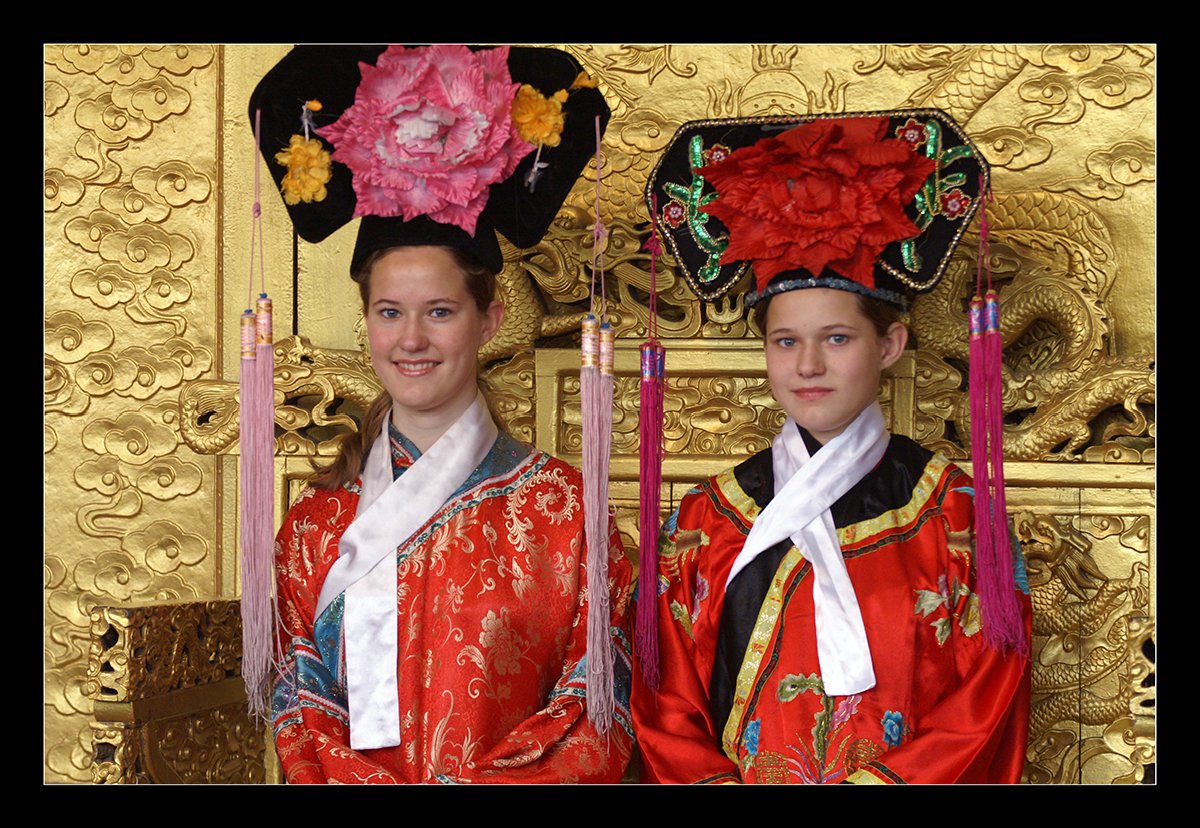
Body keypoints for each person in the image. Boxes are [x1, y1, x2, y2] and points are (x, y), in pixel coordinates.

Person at [251, 44, 633, 783]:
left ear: (489, 320)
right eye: (390, 312)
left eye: (440, 312)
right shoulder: (315, 526)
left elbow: (597, 709)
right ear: (367, 321)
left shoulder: (564, 512)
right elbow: (300, 713)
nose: (412, 340)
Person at [632, 112, 1031, 784]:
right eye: (786, 341)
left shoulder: (956, 514)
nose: (809, 365)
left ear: (890, 345)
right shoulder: (705, 519)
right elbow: (662, 699)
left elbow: (986, 696)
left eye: (837, 339)